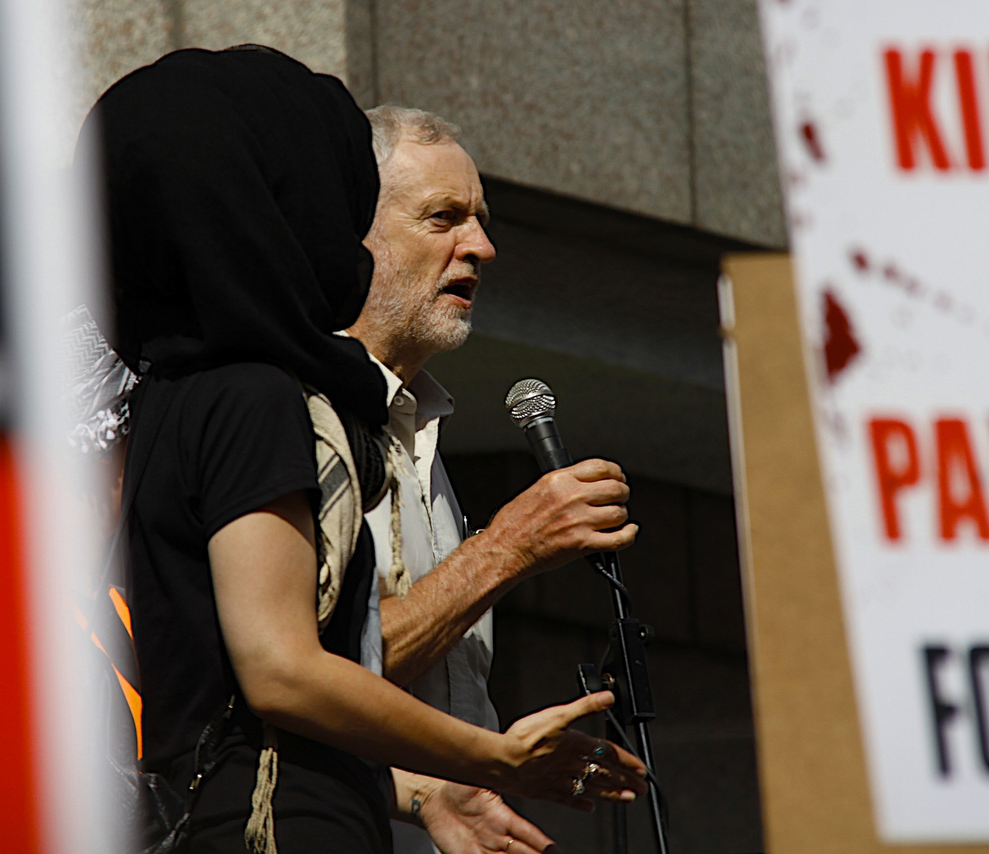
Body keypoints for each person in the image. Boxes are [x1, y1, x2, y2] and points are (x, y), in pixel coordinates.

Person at [88, 47, 645, 854]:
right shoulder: (256, 398)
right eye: (442, 218)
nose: (481, 248)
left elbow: (237, 713)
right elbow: (281, 671)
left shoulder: (179, 398)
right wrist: (499, 756)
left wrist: (427, 796)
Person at [344, 106, 642, 854]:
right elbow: (321, 668)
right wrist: (509, 547)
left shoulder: (422, 428)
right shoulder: (288, 417)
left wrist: (503, 765)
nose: (481, 247)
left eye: (479, 220)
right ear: (348, 230)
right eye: (443, 218)